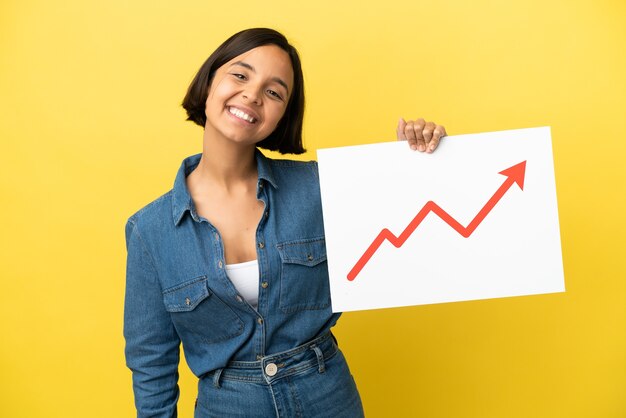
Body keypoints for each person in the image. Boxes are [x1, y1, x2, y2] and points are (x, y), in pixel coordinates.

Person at [123, 28, 446, 418]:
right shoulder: (149, 230)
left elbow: (417, 226)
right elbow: (150, 360)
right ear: (209, 81)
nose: (253, 95)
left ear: (282, 115)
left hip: (327, 396)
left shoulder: (319, 187)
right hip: (228, 406)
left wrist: (419, 159)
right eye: (240, 75)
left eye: (274, 92)